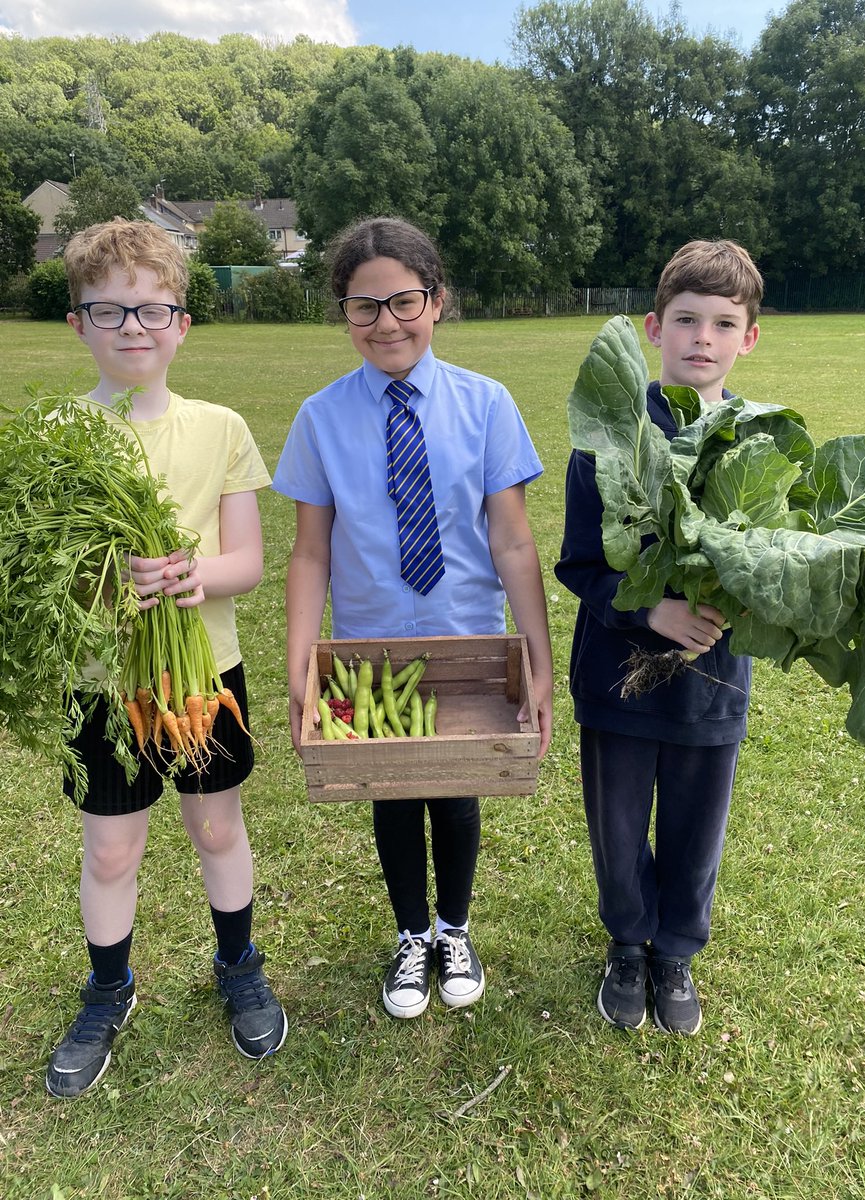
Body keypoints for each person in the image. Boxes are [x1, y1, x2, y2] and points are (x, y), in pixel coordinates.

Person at [273, 216, 553, 1019]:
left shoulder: (487, 404)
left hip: (468, 640)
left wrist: (536, 661)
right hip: (372, 645)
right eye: (365, 308)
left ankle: (454, 928)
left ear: (438, 302)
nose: (386, 323)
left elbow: (514, 542)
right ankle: (409, 935)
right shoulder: (320, 418)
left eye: (404, 301)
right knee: (389, 793)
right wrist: (299, 674)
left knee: (458, 792)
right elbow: (310, 557)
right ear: (344, 316)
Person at [45, 218, 286, 1099]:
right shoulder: (62, 438)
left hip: (201, 676)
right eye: (110, 313)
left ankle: (240, 964)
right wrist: (107, 585)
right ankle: (109, 987)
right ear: (78, 325)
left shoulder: (219, 427)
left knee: (217, 826)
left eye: (153, 311)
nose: (134, 329)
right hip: (105, 684)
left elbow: (249, 564)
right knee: (111, 850)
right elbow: (51, 577)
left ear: (184, 322)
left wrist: (191, 574)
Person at [555, 239, 762, 1035]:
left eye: (721, 322)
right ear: (653, 327)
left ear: (748, 337)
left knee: (696, 824)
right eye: (684, 320)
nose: (700, 338)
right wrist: (652, 613)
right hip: (618, 671)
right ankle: (628, 942)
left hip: (715, 676)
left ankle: (675, 950)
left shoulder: (760, 443)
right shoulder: (608, 435)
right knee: (615, 826)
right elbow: (579, 564)